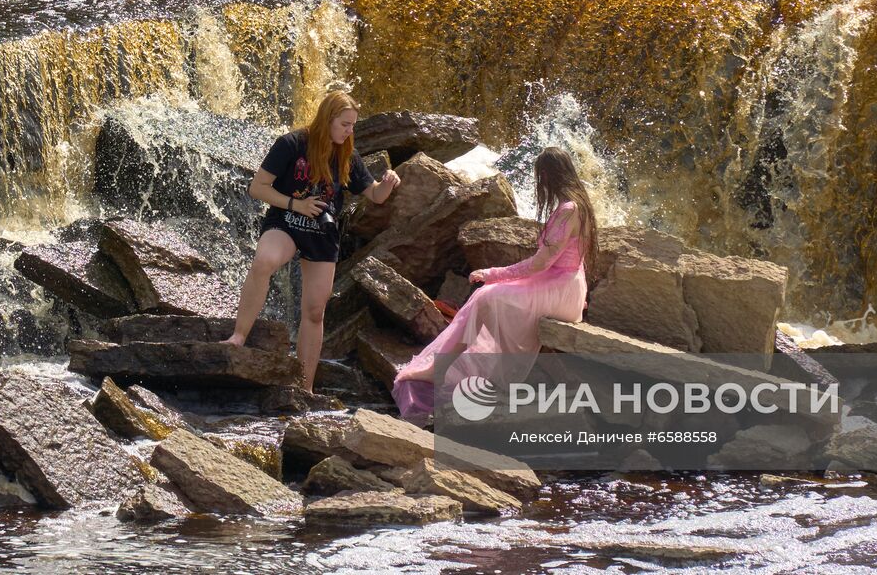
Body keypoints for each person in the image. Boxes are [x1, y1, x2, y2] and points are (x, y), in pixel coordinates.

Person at [392, 147, 597, 424]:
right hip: (565, 286)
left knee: (488, 296)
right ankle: (444, 368)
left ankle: (457, 370)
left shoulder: (569, 209)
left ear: (547, 175)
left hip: (560, 287)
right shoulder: (579, 203)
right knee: (485, 298)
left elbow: (540, 264)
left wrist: (493, 273)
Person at [223, 86, 401, 393]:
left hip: (322, 234)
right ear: (327, 119)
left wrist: (387, 184)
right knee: (264, 261)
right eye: (345, 124)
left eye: (353, 125)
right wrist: (297, 205)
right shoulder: (292, 144)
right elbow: (258, 187)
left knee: (316, 310)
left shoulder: (347, 153)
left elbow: (374, 194)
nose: (350, 131)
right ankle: (239, 336)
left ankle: (304, 388)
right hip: (287, 222)